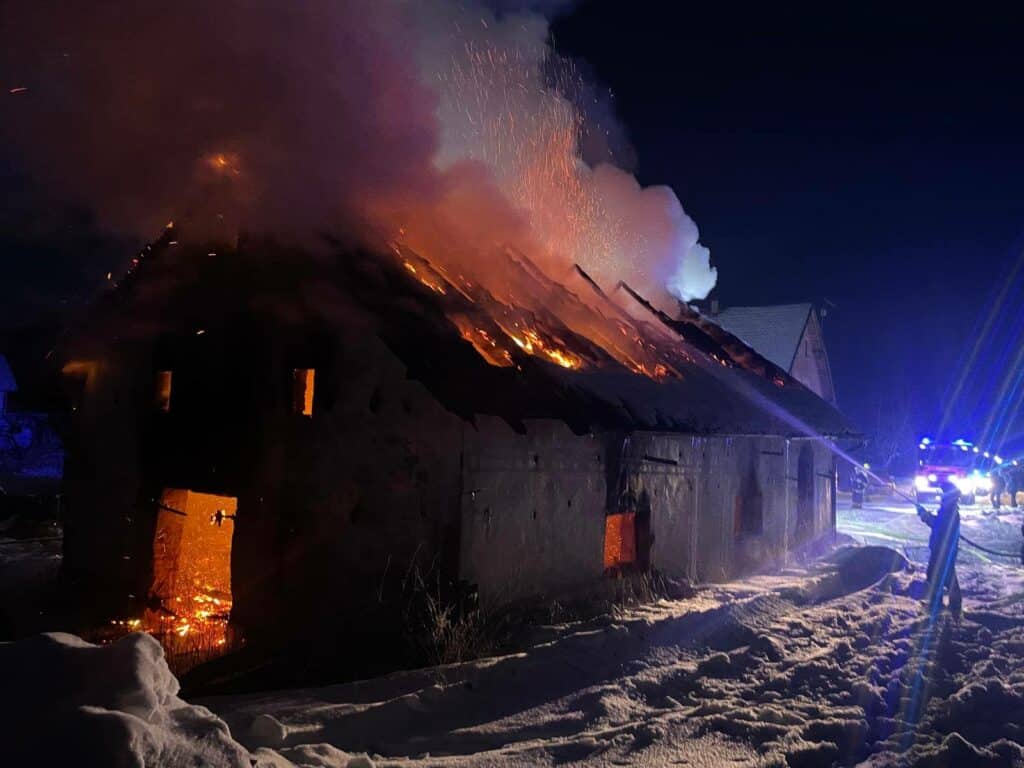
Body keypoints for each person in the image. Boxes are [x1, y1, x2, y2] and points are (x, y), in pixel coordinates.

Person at [917, 481, 962, 617]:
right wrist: (925, 514)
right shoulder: (947, 509)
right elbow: (938, 524)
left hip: (944, 550)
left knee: (943, 577)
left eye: (944, 494)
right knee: (935, 575)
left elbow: (938, 525)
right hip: (940, 549)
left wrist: (925, 515)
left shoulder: (950, 512)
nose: (941, 497)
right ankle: (940, 603)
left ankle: (951, 606)